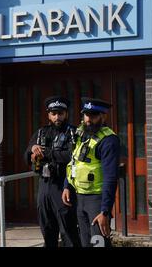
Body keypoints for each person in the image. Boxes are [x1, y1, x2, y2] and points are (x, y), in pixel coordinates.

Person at [62, 97, 120, 247]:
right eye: (86, 115)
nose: (89, 119)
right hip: (79, 197)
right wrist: (67, 186)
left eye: (94, 116)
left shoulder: (108, 140)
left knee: (98, 243)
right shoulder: (81, 134)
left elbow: (111, 178)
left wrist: (105, 211)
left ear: (103, 116)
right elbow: (74, 162)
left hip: (97, 200)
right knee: (85, 243)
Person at [24, 96, 80, 247]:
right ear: (48, 114)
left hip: (63, 185)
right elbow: (28, 154)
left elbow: (71, 156)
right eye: (53, 113)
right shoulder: (41, 132)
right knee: (47, 228)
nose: (57, 117)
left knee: (68, 229)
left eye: (60, 113)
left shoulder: (73, 133)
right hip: (44, 184)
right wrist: (32, 152)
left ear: (66, 114)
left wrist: (48, 153)